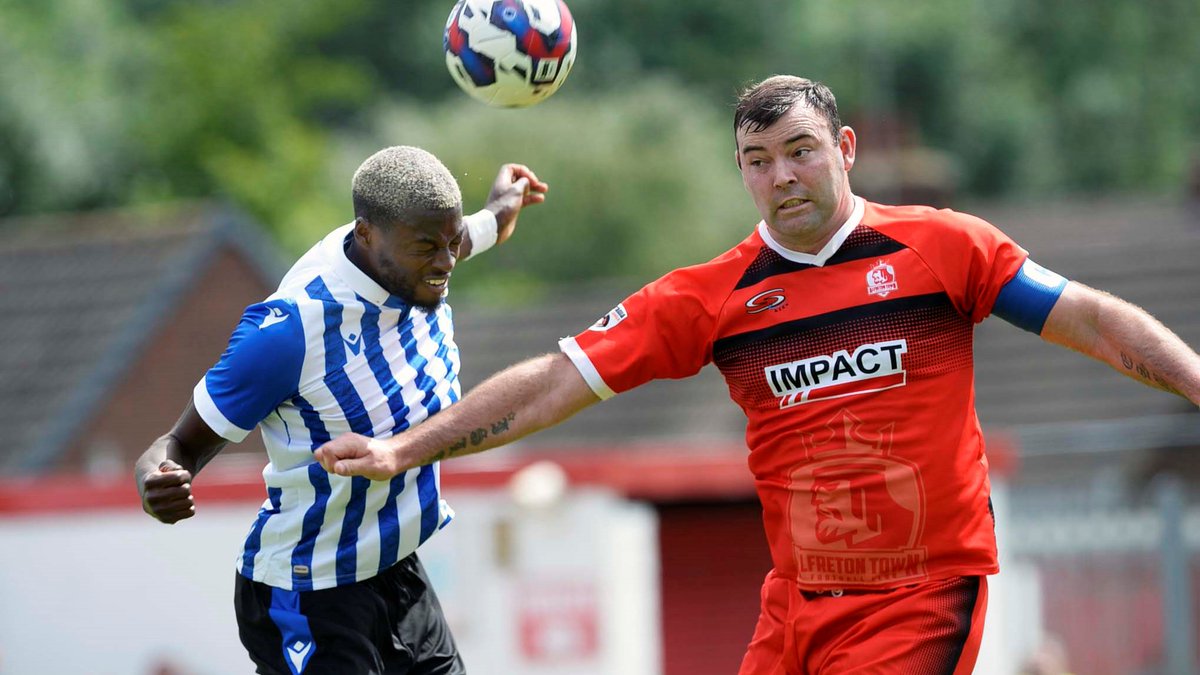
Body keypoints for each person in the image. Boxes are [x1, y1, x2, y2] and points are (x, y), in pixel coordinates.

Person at [314, 77, 1200, 674]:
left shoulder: (944, 248)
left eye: (801, 150)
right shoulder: (713, 297)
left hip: (921, 593)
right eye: (757, 160)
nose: (782, 177)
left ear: (845, 147)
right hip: (794, 606)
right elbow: (556, 378)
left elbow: (1088, 316)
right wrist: (404, 448)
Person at [135, 145, 548, 674]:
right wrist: (157, 480)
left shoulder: (413, 257)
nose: (446, 262)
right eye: (430, 247)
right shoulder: (291, 330)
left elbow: (460, 235)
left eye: (451, 244)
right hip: (309, 591)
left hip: (398, 571)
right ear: (366, 234)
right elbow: (178, 445)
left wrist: (499, 211)